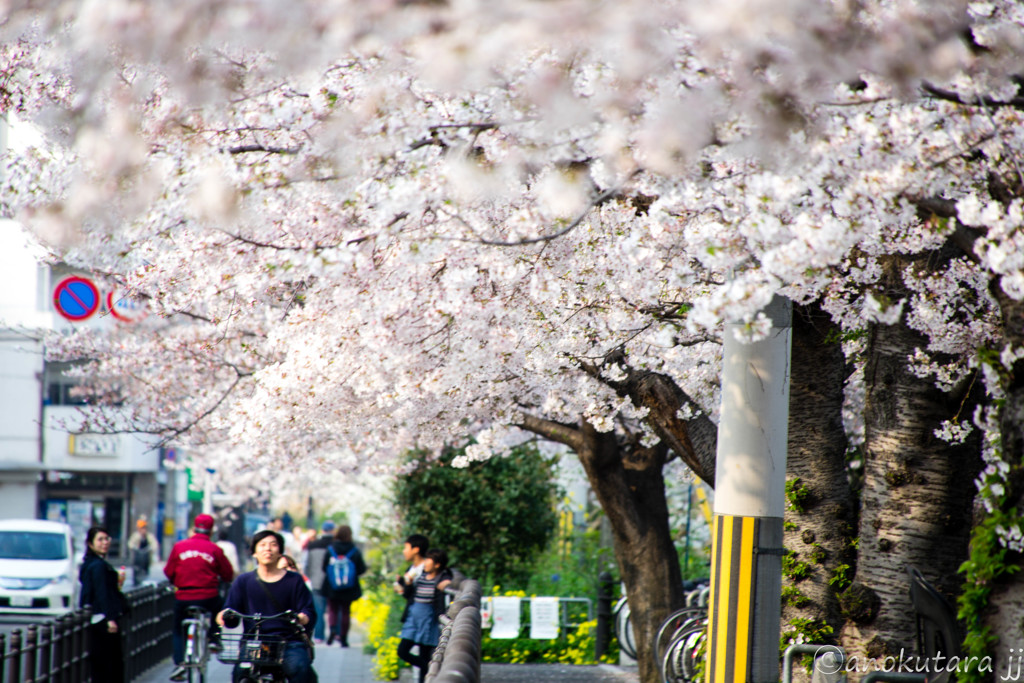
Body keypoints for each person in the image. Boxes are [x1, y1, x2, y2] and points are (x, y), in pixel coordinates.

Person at [217, 529, 317, 683]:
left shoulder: (294, 581)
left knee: (300, 668)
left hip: (288, 642)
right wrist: (225, 616)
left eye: (273, 545)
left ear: (280, 552)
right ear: (254, 553)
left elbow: (308, 610)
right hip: (254, 642)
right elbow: (231, 612)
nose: (267, 549)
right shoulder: (243, 581)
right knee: (241, 674)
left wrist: (303, 617)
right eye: (262, 545)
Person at [164, 513, 235, 682]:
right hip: (208, 596)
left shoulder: (179, 547)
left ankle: (180, 662)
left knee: (177, 629)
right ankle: (214, 637)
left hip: (183, 596)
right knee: (219, 607)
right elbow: (227, 574)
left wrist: (177, 581)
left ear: (194, 528)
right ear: (211, 531)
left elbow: (168, 571)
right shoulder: (215, 549)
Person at [79, 526, 128, 682]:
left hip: (94, 617)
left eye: (106, 539)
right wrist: (110, 618)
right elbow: (102, 593)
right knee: (109, 664)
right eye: (100, 539)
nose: (104, 543)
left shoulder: (90, 563)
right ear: (91, 544)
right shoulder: (98, 566)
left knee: (101, 664)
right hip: (102, 619)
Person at [397, 548, 452, 683]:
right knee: (402, 651)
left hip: (428, 619)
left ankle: (426, 674)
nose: (425, 562)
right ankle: (431, 668)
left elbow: (450, 581)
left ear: (437, 564)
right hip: (413, 617)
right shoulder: (421, 575)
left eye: (428, 560)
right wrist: (405, 584)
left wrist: (447, 583)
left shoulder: (442, 578)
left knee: (424, 653)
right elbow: (408, 594)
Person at [320, 524, 367, 647]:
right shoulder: (354, 550)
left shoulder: (331, 549)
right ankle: (344, 638)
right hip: (349, 587)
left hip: (332, 586)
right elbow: (362, 569)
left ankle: (333, 630)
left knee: (332, 609)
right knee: (346, 611)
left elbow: (324, 567)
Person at [303, 521, 335, 642]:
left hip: (316, 581)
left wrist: (309, 577)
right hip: (334, 582)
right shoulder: (336, 545)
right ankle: (335, 633)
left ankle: (319, 636)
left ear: (322, 531)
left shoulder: (313, 545)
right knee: (334, 608)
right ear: (333, 531)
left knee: (319, 610)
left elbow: (307, 564)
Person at [127, 517, 159, 585]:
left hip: (146, 558)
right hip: (137, 558)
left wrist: (151, 548)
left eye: (145, 528)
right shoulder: (136, 536)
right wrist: (134, 547)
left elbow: (154, 544)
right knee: (136, 571)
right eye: (142, 528)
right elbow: (130, 543)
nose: (143, 530)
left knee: (145, 572)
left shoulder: (149, 536)